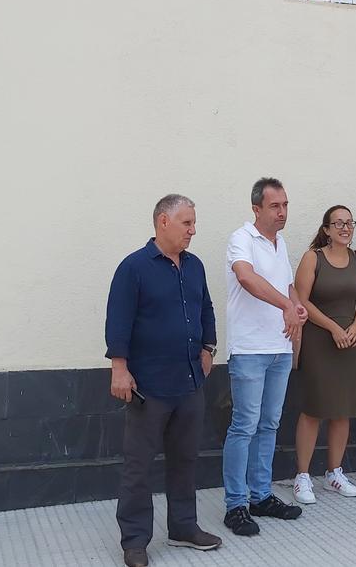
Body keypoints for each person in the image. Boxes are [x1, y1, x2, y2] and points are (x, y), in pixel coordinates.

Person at [105, 194, 223, 567]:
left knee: (185, 459)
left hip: (189, 381)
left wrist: (209, 349)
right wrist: (119, 368)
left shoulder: (194, 266)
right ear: (163, 222)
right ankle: (135, 540)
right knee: (139, 465)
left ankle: (184, 527)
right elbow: (118, 319)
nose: (193, 230)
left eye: (194, 222)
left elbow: (205, 308)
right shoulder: (134, 268)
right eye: (186, 223)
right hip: (148, 386)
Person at [222, 178, 308, 536]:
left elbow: (286, 284)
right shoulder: (241, 239)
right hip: (249, 349)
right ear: (256, 209)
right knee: (244, 426)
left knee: (270, 425)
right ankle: (235, 505)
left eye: (285, 204)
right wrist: (287, 304)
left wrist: (297, 306)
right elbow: (247, 279)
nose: (282, 212)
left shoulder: (280, 242)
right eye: (275, 206)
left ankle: (260, 495)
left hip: (279, 347)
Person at [291, 205, 356, 504]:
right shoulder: (314, 258)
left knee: (343, 409)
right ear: (326, 229)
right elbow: (302, 301)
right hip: (319, 340)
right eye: (338, 223)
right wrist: (332, 328)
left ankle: (334, 473)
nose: (344, 227)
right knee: (314, 408)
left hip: (350, 342)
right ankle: (302, 476)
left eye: (349, 222)